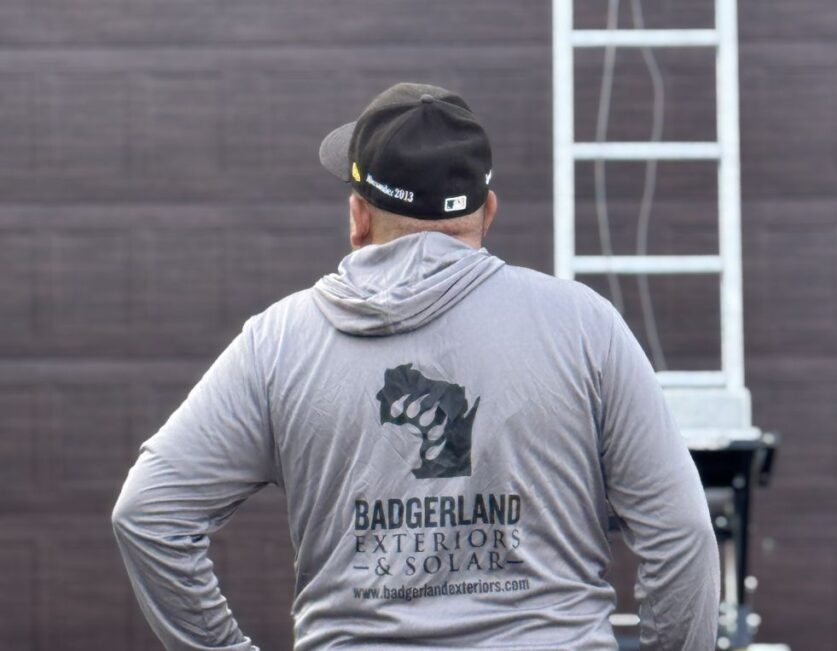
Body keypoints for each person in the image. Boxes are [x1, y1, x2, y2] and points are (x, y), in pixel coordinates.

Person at [111, 82, 720, 651]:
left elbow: (148, 516)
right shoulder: (585, 326)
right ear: (487, 211)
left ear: (358, 216)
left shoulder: (278, 343)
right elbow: (683, 533)